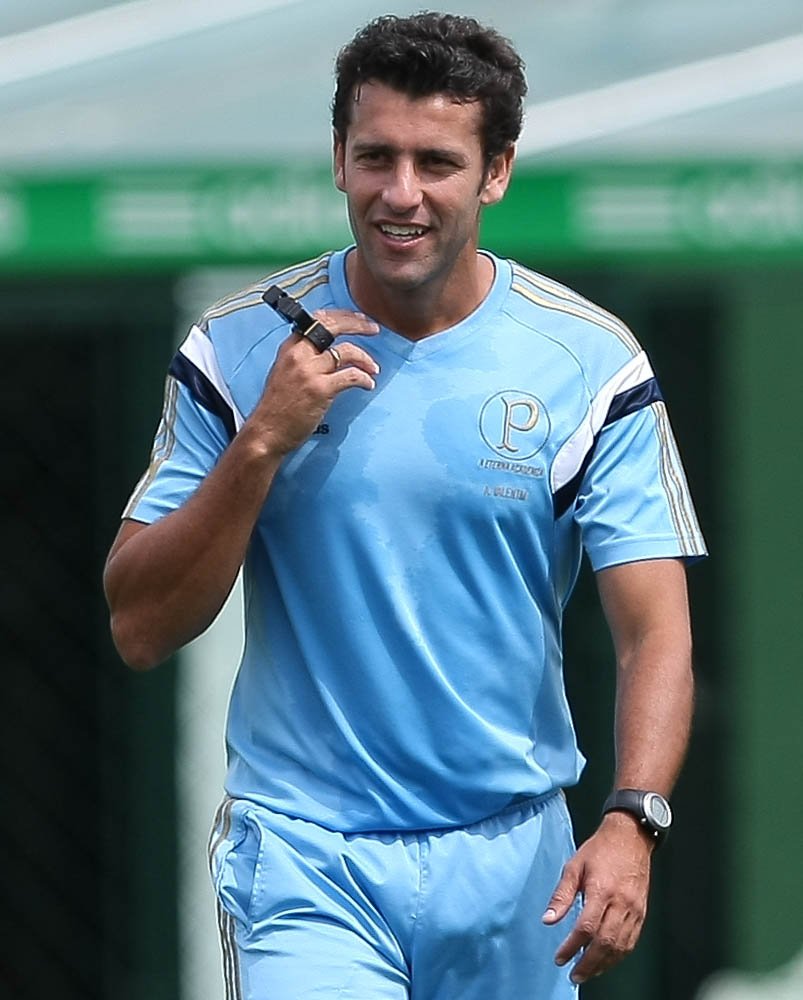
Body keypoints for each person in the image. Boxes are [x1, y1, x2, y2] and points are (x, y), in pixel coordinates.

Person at [104, 11, 706, 1000]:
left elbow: (656, 633)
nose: (401, 194)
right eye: (374, 156)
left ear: (495, 172)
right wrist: (262, 441)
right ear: (337, 159)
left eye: (436, 162)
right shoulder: (237, 352)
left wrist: (630, 818)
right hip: (304, 856)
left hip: (516, 864)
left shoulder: (592, 363)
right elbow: (138, 623)